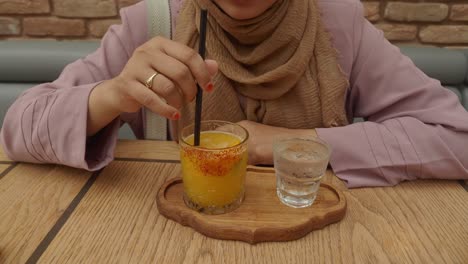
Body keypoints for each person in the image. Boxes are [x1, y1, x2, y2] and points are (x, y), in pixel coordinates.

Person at [1, 0, 467, 188]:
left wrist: (289, 142)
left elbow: (455, 138)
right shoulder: (155, 21)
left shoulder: (338, 26)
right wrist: (113, 96)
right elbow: (19, 125)